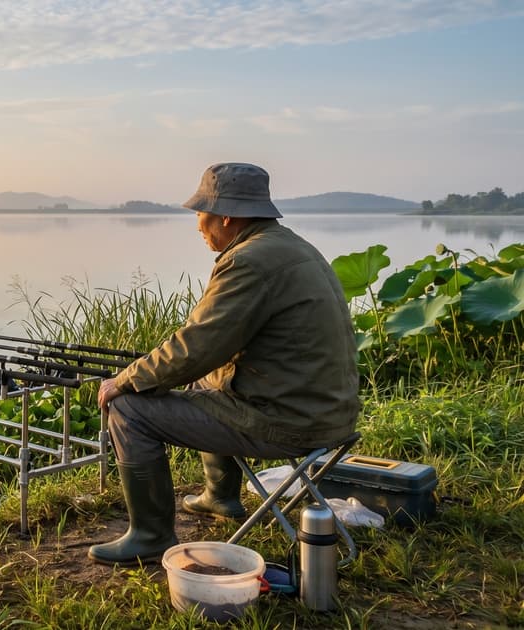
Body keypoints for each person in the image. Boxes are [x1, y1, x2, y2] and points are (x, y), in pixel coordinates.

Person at [88, 162, 360, 565]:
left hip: (288, 421)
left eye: (201, 213)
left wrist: (125, 380)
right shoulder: (292, 247)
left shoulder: (248, 261)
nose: (198, 225)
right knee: (205, 382)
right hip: (327, 412)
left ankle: (150, 536)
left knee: (129, 408)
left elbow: (197, 345)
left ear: (227, 216)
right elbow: (209, 352)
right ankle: (220, 497)